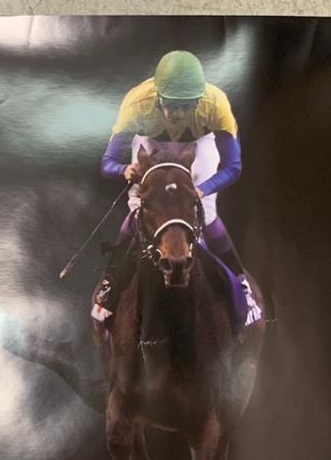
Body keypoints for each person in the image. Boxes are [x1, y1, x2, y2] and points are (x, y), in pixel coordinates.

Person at [94, 50, 259, 323]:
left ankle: (241, 283)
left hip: (199, 144)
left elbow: (233, 166)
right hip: (151, 142)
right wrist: (125, 170)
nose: (179, 113)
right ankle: (110, 283)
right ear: (158, 97)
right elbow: (107, 162)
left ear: (200, 100)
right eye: (172, 104)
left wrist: (201, 190)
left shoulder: (216, 103)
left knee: (206, 212)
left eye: (187, 105)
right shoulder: (137, 102)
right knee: (139, 208)